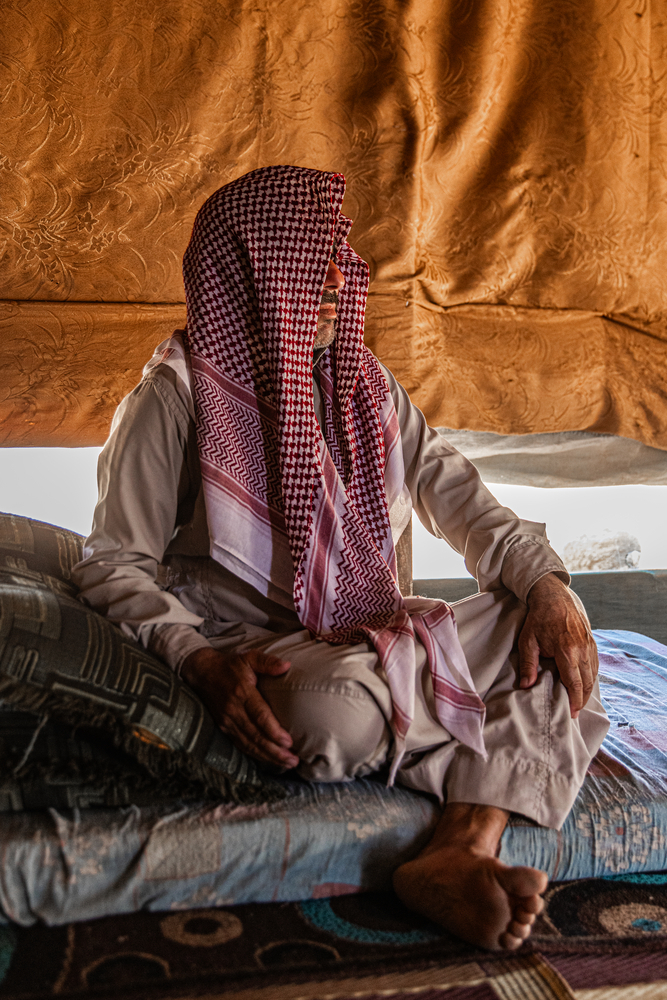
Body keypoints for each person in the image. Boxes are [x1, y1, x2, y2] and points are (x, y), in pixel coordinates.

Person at [73, 165, 609, 951]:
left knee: (556, 652)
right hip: (270, 654)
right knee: (328, 720)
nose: (333, 278)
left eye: (336, 256)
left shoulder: (368, 388)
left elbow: (470, 509)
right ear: (250, 266)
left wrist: (549, 588)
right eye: (307, 255)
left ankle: (463, 850)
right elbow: (113, 564)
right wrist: (195, 661)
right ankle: (478, 751)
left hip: (379, 636)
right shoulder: (175, 394)